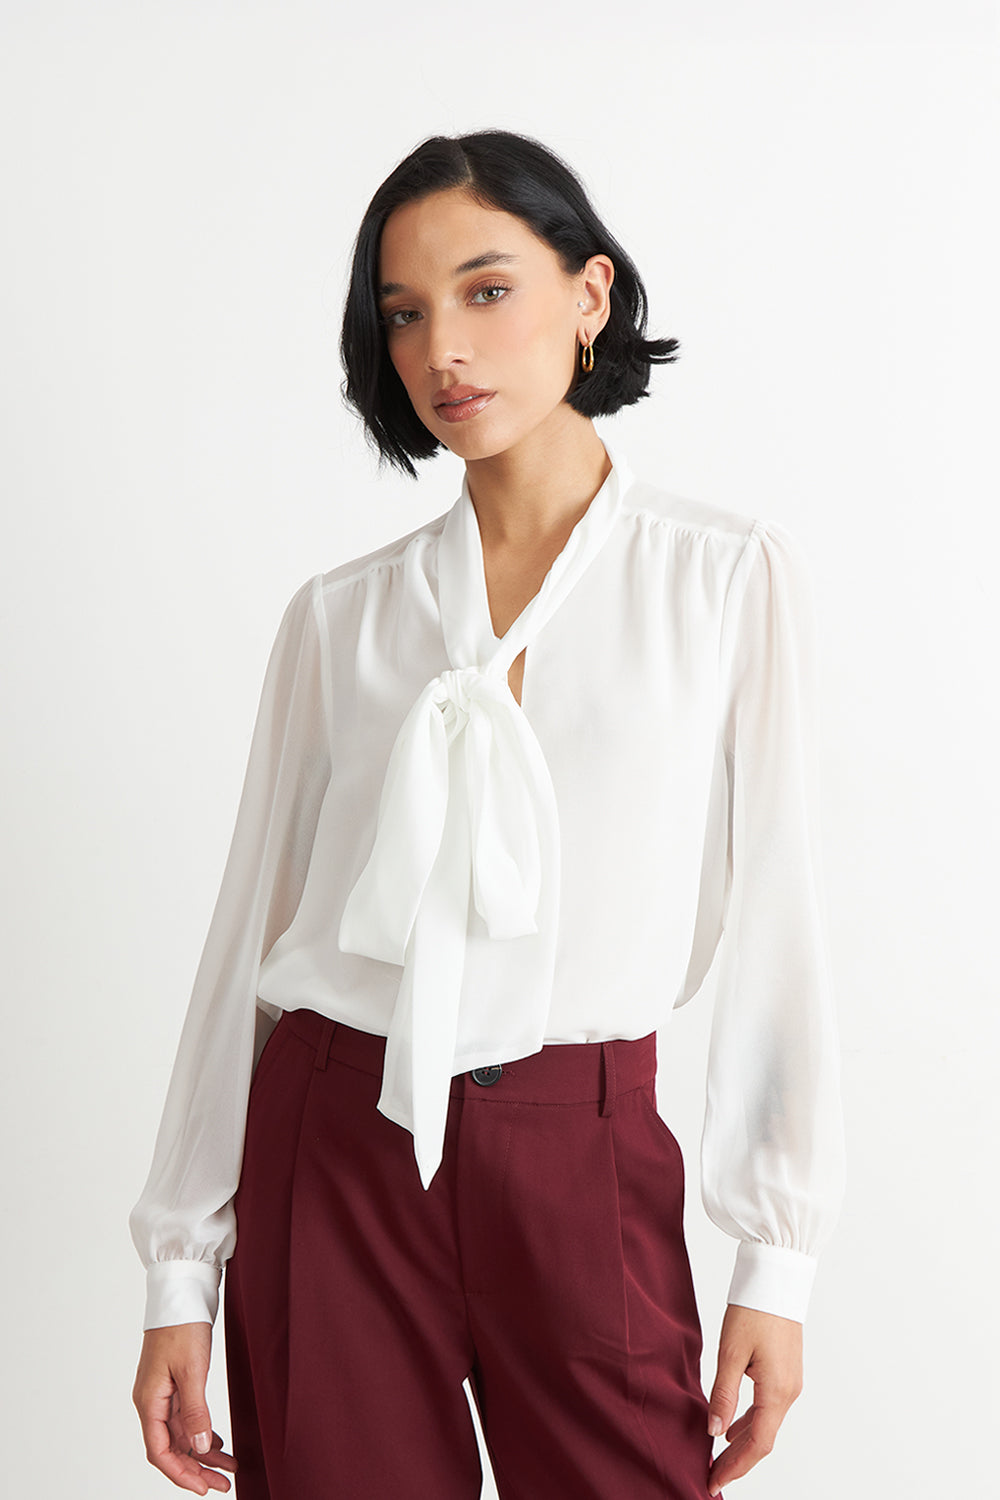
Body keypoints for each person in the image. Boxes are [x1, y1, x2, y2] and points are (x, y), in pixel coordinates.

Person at [130, 129, 845, 1500]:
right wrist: (181, 1264)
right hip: (333, 1149)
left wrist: (777, 1258)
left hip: (585, 1146)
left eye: (487, 290)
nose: (443, 349)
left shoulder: (723, 580)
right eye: (404, 314)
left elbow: (778, 919)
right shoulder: (341, 620)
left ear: (590, 295)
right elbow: (249, 941)